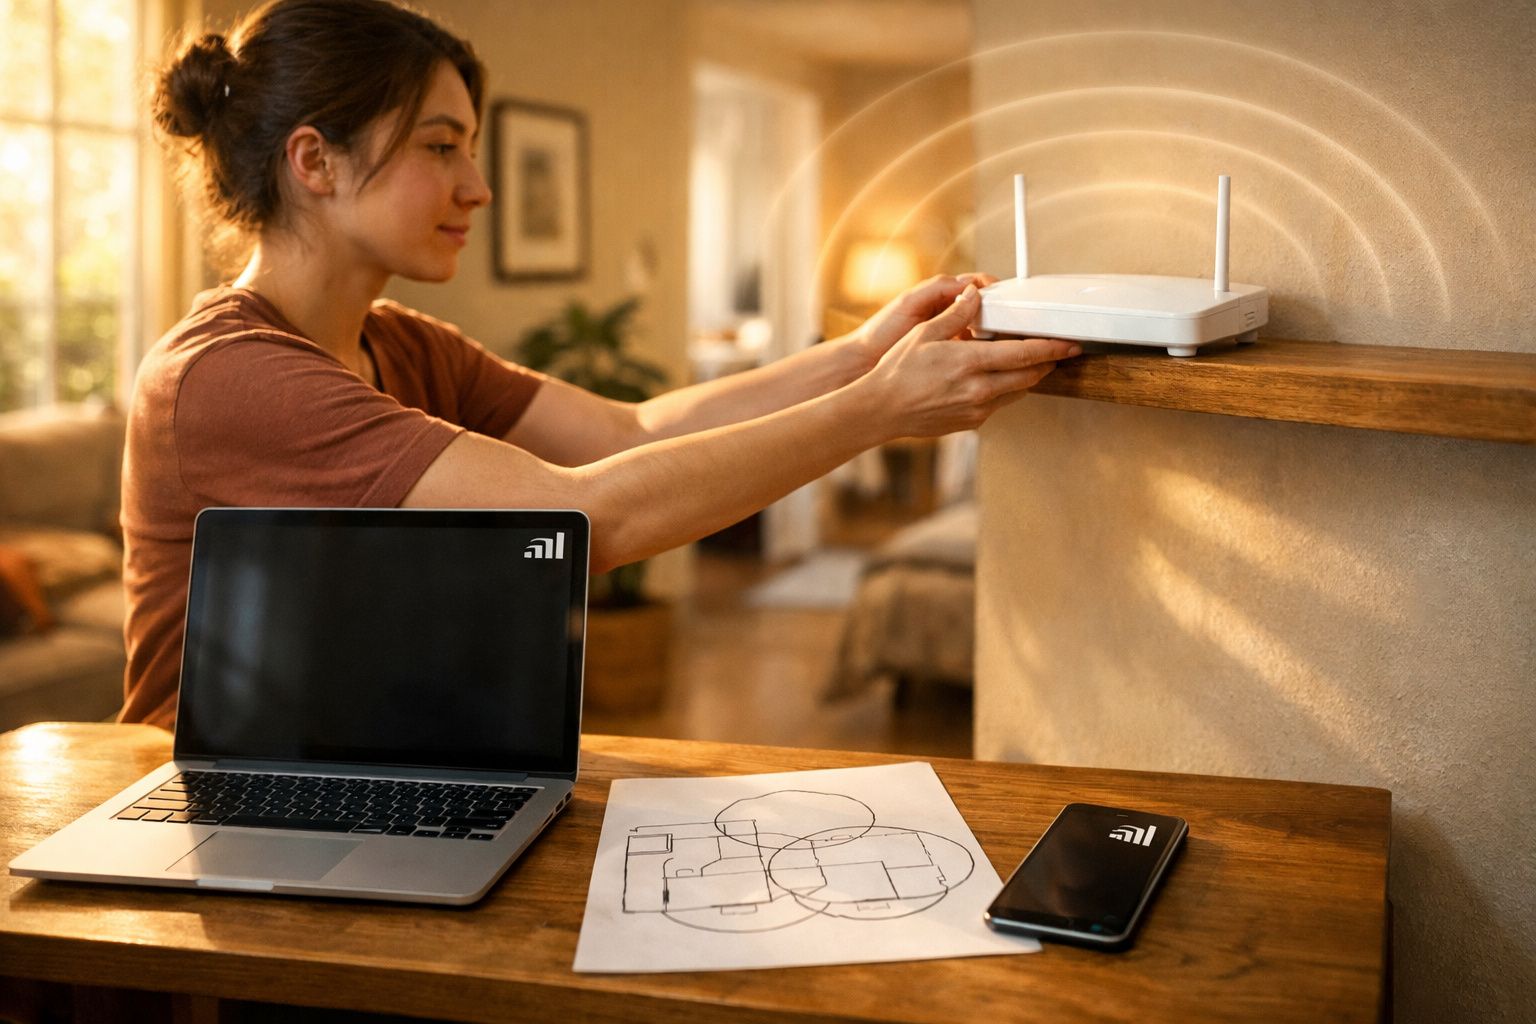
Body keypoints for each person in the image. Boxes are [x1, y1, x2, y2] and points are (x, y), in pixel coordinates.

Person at [122, 0, 1081, 728]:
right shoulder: (228, 377)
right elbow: (585, 516)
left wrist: (861, 353)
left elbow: (633, 430)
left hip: (360, 760)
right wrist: (874, 410)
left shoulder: (402, 344)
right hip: (208, 822)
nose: (479, 186)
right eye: (441, 146)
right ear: (313, 161)